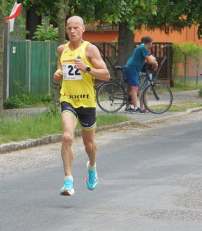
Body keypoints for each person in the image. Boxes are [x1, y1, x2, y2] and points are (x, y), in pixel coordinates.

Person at [53, 16, 110, 195]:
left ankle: (92, 167)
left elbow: (106, 75)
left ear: (83, 29)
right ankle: (68, 181)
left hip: (86, 102)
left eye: (75, 28)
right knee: (67, 137)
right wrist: (58, 73)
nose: (71, 31)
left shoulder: (90, 49)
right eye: (69, 28)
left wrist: (86, 68)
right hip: (68, 99)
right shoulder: (62, 49)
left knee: (89, 144)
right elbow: (60, 67)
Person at [122, 36, 159, 113]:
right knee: (134, 88)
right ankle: (136, 108)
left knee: (129, 88)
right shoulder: (143, 48)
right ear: (149, 43)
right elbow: (149, 60)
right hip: (132, 69)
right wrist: (155, 62)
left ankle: (128, 106)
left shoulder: (140, 48)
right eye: (151, 43)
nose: (151, 44)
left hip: (129, 68)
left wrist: (152, 60)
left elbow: (145, 59)